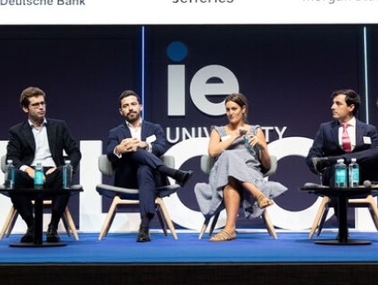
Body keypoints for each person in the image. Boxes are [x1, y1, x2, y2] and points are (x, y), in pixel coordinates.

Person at [194, 93, 287, 242]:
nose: (230, 113)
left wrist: (262, 146)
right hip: (220, 176)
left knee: (231, 182)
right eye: (227, 109)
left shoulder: (256, 131)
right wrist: (235, 136)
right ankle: (258, 195)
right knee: (228, 156)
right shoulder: (218, 131)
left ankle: (229, 230)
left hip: (250, 174)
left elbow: (267, 166)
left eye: (234, 108)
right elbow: (212, 152)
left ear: (243, 109)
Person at [106, 89, 193, 242]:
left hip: (151, 178)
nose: (130, 108)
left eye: (133, 104)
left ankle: (144, 227)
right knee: (131, 150)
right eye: (125, 106)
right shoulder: (115, 132)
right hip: (127, 179)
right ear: (121, 111)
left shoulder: (154, 128)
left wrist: (145, 145)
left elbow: (160, 147)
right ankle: (172, 173)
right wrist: (120, 149)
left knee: (144, 168)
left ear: (141, 106)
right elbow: (109, 153)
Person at [6, 86, 82, 243]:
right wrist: (28, 170)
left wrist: (64, 168)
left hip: (53, 172)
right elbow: (12, 158)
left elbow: (75, 152)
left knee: (65, 175)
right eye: (35, 105)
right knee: (14, 179)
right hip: (29, 173)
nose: (41, 107)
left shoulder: (59, 126)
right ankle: (32, 227)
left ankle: (53, 227)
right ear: (25, 108)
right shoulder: (16, 131)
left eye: (43, 103)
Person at [306, 88, 378, 185]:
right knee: (338, 170)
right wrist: (324, 169)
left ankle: (336, 160)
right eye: (333, 103)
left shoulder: (369, 130)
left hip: (362, 178)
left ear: (351, 107)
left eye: (338, 104)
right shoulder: (325, 129)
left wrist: (335, 160)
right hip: (334, 178)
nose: (333, 107)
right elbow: (312, 158)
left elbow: (374, 155)